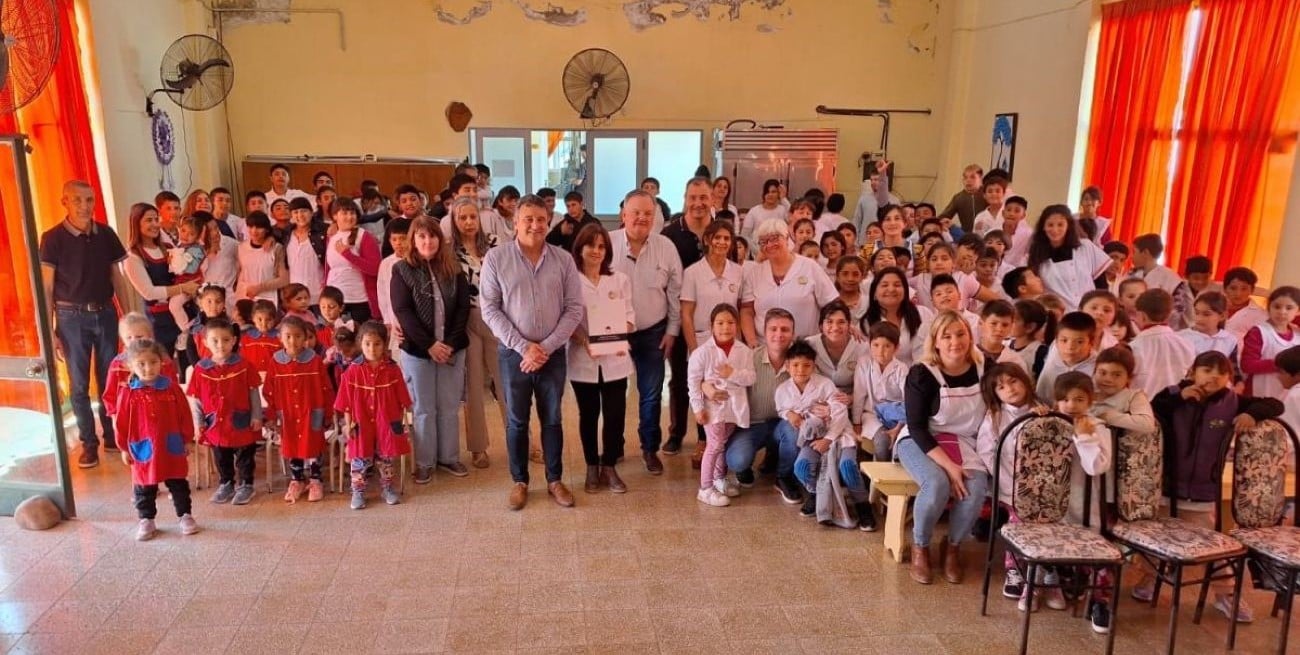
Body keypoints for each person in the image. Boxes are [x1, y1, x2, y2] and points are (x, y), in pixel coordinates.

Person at [1148, 351, 1284, 621]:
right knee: (1151, 542)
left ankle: (1226, 595)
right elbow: (1152, 407)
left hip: (1203, 494)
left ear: (1229, 379)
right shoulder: (1174, 395)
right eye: (1206, 370)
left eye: (1221, 373)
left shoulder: (1233, 403)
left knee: (1215, 548)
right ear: (1192, 372)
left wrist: (1253, 414)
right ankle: (1149, 582)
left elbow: (1273, 404)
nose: (1213, 377)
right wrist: (1177, 396)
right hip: (1164, 490)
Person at [480, 195, 585, 510]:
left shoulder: (563, 260)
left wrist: (548, 346)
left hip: (552, 355)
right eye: (528, 219)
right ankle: (520, 481)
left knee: (552, 419)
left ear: (548, 221)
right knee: (517, 421)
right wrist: (524, 347)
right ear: (515, 222)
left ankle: (555, 479)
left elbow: (574, 308)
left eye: (541, 219)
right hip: (514, 355)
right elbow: (489, 308)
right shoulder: (497, 259)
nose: (535, 225)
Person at [40, 180, 132, 468]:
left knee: (109, 378)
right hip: (71, 318)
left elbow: (118, 278)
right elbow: (46, 287)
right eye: (77, 200)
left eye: (89, 200)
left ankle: (110, 437)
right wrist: (48, 329)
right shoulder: (52, 238)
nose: (84, 206)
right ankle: (88, 443)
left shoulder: (105, 234)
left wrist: (129, 319)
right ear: (64, 202)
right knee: (79, 384)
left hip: (105, 314)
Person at [897, 311, 990, 585]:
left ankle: (952, 547)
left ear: (970, 336)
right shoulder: (922, 374)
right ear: (935, 342)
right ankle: (921, 546)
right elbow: (917, 427)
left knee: (975, 488)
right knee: (937, 482)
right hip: (921, 441)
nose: (955, 342)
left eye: (961, 334)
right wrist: (949, 466)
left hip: (965, 441)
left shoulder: (986, 368)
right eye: (946, 336)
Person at [390, 216, 471, 483]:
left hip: (452, 348)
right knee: (423, 408)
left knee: (448, 405)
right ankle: (424, 462)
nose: (428, 241)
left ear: (440, 239)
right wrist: (430, 345)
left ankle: (448, 457)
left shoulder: (454, 268)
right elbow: (403, 311)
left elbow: (462, 309)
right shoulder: (401, 270)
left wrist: (448, 343)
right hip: (418, 350)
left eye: (432, 236)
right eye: (422, 237)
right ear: (413, 240)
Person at [610, 190, 684, 474]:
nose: (641, 218)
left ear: (655, 218)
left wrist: (673, 330)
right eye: (635, 213)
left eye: (647, 214)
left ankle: (649, 449)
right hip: (614, 333)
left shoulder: (666, 247)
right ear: (624, 215)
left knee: (651, 394)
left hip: (654, 331)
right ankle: (614, 447)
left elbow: (676, 292)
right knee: (615, 392)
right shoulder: (607, 243)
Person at [567, 223, 634, 494]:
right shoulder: (571, 279)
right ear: (580, 249)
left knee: (615, 413)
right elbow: (567, 319)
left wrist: (619, 335)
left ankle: (609, 466)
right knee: (589, 414)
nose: (596, 251)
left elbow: (630, 316)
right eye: (590, 245)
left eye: (601, 246)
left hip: (615, 360)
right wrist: (584, 341)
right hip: (583, 359)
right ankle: (591, 467)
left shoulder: (619, 280)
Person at [114, 339, 198, 541]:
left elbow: (184, 414)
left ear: (161, 362)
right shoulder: (127, 392)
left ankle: (185, 515)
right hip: (142, 446)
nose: (148, 368)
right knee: (144, 486)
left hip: (171, 444)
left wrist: (187, 439)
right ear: (131, 366)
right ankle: (146, 519)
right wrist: (124, 448)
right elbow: (121, 422)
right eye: (141, 364)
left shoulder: (171, 388)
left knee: (178, 482)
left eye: (153, 362)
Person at [662, 178, 715, 462]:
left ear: (713, 199)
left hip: (715, 322)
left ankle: (706, 437)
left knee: (711, 379)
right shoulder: (670, 233)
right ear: (684, 198)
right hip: (681, 318)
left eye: (703, 197)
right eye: (693, 197)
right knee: (681, 379)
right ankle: (676, 432)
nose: (698, 203)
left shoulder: (720, 232)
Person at [335, 321, 413, 509]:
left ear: (384, 345)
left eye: (377, 344)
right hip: (360, 424)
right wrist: (348, 425)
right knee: (360, 459)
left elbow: (403, 400)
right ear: (360, 344)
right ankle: (358, 491)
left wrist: (402, 424)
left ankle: (387, 488)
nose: (372, 348)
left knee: (386, 458)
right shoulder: (352, 372)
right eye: (367, 344)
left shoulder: (393, 370)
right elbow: (345, 404)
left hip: (386, 422)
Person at [186, 317, 262, 506]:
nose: (221, 345)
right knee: (221, 455)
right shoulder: (200, 369)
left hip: (241, 421)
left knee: (245, 455)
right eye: (215, 341)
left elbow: (254, 393)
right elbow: (196, 399)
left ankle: (246, 484)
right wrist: (199, 422)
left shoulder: (244, 366)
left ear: (234, 340)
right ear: (205, 342)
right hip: (215, 424)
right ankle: (226, 483)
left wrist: (256, 416)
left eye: (226, 340)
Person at [450, 200, 503, 469]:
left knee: (506, 383)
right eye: (463, 218)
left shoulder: (494, 243)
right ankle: (478, 448)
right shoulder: (449, 251)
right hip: (468, 319)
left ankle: (525, 441)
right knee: (473, 388)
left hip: (497, 318)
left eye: (473, 217)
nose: (469, 222)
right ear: (454, 220)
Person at [688, 303, 756, 507]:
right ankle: (705, 488)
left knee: (721, 444)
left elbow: (751, 377)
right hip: (712, 409)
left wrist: (732, 374)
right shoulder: (701, 352)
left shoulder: (744, 351)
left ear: (737, 325)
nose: (725, 327)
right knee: (714, 445)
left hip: (734, 408)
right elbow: (693, 382)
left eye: (730, 322)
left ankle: (719, 479)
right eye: (720, 323)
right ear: (711, 326)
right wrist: (698, 408)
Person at [263, 316, 333, 503]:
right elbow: (268, 391)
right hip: (288, 414)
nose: (293, 341)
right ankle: (297, 480)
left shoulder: (315, 361)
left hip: (311, 411)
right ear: (280, 338)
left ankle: (316, 480)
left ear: (305, 338)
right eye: (288, 336)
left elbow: (326, 388)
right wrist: (270, 415)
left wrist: (328, 413)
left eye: (298, 336)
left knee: (314, 444)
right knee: (292, 444)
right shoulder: (275, 362)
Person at [726, 308, 795, 497]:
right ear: (764, 333)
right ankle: (744, 468)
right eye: (773, 329)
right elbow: (725, 380)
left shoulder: (798, 361)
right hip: (752, 425)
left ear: (793, 334)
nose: (779, 334)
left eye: (785, 329)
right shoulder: (749, 358)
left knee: (793, 431)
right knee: (737, 460)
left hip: (784, 423)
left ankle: (783, 477)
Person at [740, 219, 838, 343]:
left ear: (787, 238)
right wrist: (752, 342)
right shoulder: (755, 273)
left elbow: (831, 302)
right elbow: (746, 310)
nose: (769, 245)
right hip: (765, 348)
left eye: (775, 239)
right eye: (763, 241)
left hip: (805, 348)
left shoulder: (809, 266)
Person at [121, 202, 198, 356]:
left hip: (186, 310)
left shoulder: (167, 246)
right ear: (136, 223)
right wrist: (183, 288)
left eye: (156, 219)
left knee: (190, 361)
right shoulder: (133, 257)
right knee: (166, 362)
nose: (155, 224)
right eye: (149, 220)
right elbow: (149, 292)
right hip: (160, 321)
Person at [1025, 205, 1110, 311]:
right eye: (1050, 225)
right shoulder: (1037, 255)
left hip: (1090, 312)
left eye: (1060, 225)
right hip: (1058, 316)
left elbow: (1101, 284)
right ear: (1043, 227)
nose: (1055, 230)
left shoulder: (1085, 247)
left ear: (1069, 226)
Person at [853, 321, 909, 462]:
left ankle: (897, 480)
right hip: (871, 414)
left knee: (902, 445)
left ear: (896, 348)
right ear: (870, 344)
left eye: (887, 346)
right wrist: (856, 423)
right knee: (883, 442)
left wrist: (899, 427)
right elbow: (859, 394)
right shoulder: (864, 363)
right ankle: (878, 481)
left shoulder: (902, 369)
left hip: (897, 417)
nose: (880, 351)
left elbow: (908, 401)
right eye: (876, 345)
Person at [1129, 289, 1195, 399]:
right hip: (1175, 405)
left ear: (1142, 315)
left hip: (1142, 407)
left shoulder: (1133, 347)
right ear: (1169, 314)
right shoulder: (1186, 344)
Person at [325, 197, 382, 323]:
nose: (350, 217)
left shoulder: (365, 236)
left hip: (359, 299)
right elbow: (329, 269)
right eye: (344, 213)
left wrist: (349, 255)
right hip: (335, 300)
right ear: (335, 216)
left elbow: (375, 269)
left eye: (352, 213)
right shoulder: (331, 237)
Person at [862, 267, 933, 366]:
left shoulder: (923, 314)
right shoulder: (866, 323)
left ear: (905, 291)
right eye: (884, 285)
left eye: (897, 285)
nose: (891, 289)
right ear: (874, 294)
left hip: (921, 376)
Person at [1239, 286, 1300, 400]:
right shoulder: (1259, 332)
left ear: (1297, 311)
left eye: (1289, 308)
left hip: (1287, 396)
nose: (1282, 312)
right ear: (1269, 307)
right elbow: (1247, 365)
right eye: (1277, 307)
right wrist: (1281, 364)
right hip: (1258, 393)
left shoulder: (1297, 333)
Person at [1129, 233, 1193, 331]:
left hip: (1163, 328)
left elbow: (1178, 310)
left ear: (1145, 253)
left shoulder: (1171, 278)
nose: (1132, 257)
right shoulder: (1131, 275)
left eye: (1134, 252)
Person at [1036, 311, 1098, 403]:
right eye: (1064, 340)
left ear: (1092, 343)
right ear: (1056, 341)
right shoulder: (1054, 349)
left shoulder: (1097, 367)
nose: (1070, 347)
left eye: (1079, 342)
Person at [235, 212, 289, 305]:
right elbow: (239, 273)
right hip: (244, 297)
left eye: (259, 227)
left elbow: (284, 279)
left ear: (267, 229)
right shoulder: (241, 247)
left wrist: (259, 288)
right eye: (251, 227)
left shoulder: (276, 248)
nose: (254, 231)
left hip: (267, 299)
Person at [284, 197, 327, 307]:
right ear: (291, 216)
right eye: (296, 212)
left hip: (318, 293)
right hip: (294, 296)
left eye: (304, 211)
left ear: (312, 213)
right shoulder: (286, 234)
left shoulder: (323, 232)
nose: (300, 215)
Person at [937, 164, 988, 233]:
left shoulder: (988, 194)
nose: (968, 180)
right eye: (965, 177)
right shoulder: (959, 198)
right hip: (966, 235)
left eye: (972, 177)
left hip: (988, 235)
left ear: (981, 179)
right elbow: (944, 216)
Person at [852, 160, 899, 235]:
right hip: (866, 241)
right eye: (871, 180)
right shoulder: (864, 199)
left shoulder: (895, 201)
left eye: (876, 179)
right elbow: (856, 221)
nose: (873, 182)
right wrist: (856, 242)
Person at [1223, 266, 1268, 340]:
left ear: (1252, 290)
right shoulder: (1215, 308)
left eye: (1244, 289)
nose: (1238, 294)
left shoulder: (1262, 315)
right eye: (1233, 288)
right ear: (1225, 289)